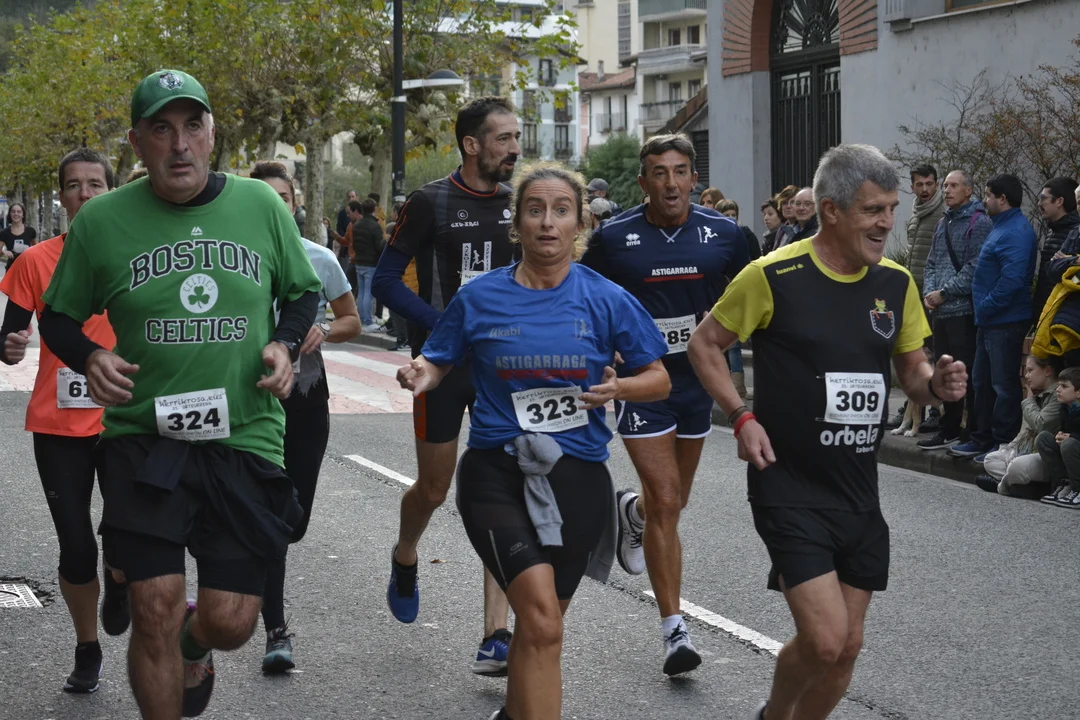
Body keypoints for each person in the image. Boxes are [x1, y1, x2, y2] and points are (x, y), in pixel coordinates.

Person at [38, 69, 322, 719]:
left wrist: (284, 343)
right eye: (161, 130)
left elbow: (302, 291)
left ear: (212, 134)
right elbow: (58, 318)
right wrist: (91, 355)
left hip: (244, 434)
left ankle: (197, 643)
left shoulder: (260, 205)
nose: (180, 144)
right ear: (136, 143)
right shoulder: (103, 220)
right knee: (154, 605)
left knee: (232, 621)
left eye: (193, 126)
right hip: (144, 437)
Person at [686, 144, 963, 720]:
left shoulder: (895, 283)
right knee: (825, 638)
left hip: (857, 490)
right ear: (831, 210)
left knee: (846, 649)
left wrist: (935, 386)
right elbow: (705, 344)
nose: (886, 223)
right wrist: (740, 415)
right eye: (872, 210)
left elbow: (913, 372)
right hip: (788, 485)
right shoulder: (772, 275)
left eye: (891, 209)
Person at [397, 162, 670, 720]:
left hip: (580, 477)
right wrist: (423, 372)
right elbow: (439, 358)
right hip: (497, 472)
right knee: (542, 620)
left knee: (542, 631)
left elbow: (659, 378)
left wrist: (621, 386)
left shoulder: (606, 298)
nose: (548, 222)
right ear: (516, 224)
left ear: (580, 225)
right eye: (535, 210)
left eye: (561, 211)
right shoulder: (480, 297)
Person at [580, 132, 750, 675]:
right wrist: (602, 353)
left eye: (680, 172)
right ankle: (674, 632)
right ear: (643, 182)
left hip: (698, 383)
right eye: (659, 173)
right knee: (668, 497)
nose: (671, 183)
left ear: (694, 179)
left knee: (672, 504)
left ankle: (633, 512)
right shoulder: (613, 238)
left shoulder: (726, 235)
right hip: (642, 382)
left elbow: (761, 296)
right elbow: (585, 297)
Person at [371, 96, 521, 674]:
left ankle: (495, 634)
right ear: (471, 145)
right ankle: (405, 553)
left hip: (501, 368)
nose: (514, 148)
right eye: (504, 138)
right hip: (440, 366)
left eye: (516, 137)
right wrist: (445, 326)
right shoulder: (430, 201)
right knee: (434, 489)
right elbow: (386, 281)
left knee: (501, 487)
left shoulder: (520, 203)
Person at [0, 148, 127, 694]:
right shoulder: (35, 261)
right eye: (73, 185)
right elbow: (9, 338)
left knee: (126, 542)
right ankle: (87, 648)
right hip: (58, 425)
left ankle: (120, 579)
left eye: (95, 184)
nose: (84, 193)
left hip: (126, 421)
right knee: (77, 547)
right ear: (61, 196)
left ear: (111, 191)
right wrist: (10, 347)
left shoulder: (136, 255)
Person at [250, 161, 360, 673]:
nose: (276, 206)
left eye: (283, 198)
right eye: (264, 197)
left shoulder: (319, 258)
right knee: (270, 518)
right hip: (251, 401)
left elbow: (351, 319)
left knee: (294, 521)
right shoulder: (235, 260)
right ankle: (275, 630)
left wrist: (325, 330)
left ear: (295, 205)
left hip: (307, 400)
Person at [949, 174, 1038, 459]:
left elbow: (1012, 281)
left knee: (1002, 386)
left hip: (1004, 322)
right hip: (989, 322)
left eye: (988, 195)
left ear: (1003, 198)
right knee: (982, 383)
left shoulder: (1016, 232)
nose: (984, 200)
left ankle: (1001, 444)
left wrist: (986, 307)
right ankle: (981, 438)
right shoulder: (1000, 226)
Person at [917, 170, 991, 451]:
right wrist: (930, 293)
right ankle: (947, 429)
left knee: (964, 373)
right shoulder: (943, 222)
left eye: (953, 185)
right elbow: (931, 262)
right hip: (940, 312)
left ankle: (969, 431)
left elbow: (975, 267)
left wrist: (944, 293)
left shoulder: (979, 222)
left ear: (968, 190)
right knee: (945, 372)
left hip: (962, 311)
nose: (947, 190)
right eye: (946, 185)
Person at [975, 355, 1059, 496]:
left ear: (1047, 371)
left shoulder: (1057, 395)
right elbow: (1023, 433)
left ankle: (1001, 487)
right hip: (1027, 453)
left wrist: (1029, 402)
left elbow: (1041, 425)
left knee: (1017, 466)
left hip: (1045, 457)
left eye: (1030, 370)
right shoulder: (1036, 394)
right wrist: (1010, 451)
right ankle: (1023, 486)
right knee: (991, 459)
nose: (1026, 376)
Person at [1032, 177, 1080, 321]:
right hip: (1047, 313)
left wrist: (1067, 262)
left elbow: (1072, 278)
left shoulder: (1074, 235)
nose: (1039, 203)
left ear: (1059, 201)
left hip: (1064, 316)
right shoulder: (1056, 231)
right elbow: (1051, 270)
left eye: (1043, 199)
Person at [1037, 366, 1080, 507]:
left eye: (1064, 386)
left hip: (1074, 447)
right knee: (1043, 438)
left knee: (1069, 444)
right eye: (1059, 385)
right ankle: (1065, 484)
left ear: (1078, 392)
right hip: (1073, 450)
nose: (1057, 389)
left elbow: (1073, 438)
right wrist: (1060, 435)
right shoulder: (1065, 408)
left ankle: (1078, 489)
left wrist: (1072, 438)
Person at [905, 164, 945, 296]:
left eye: (929, 184)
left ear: (937, 185)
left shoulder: (944, 214)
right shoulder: (915, 214)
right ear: (912, 188)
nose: (924, 189)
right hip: (912, 288)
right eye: (919, 184)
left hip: (933, 292)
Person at [352, 197, 384, 332]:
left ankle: (361, 319)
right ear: (374, 209)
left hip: (359, 261)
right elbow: (379, 246)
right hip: (371, 263)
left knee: (361, 292)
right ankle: (367, 321)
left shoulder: (357, 225)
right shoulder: (375, 226)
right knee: (368, 293)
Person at [0, 202, 38, 270]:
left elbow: (37, 250)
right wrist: (4, 252)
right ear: (10, 214)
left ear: (23, 215)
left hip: (27, 269)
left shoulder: (30, 231)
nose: (16, 214)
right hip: (11, 270)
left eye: (19, 212)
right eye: (13, 212)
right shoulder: (4, 233)